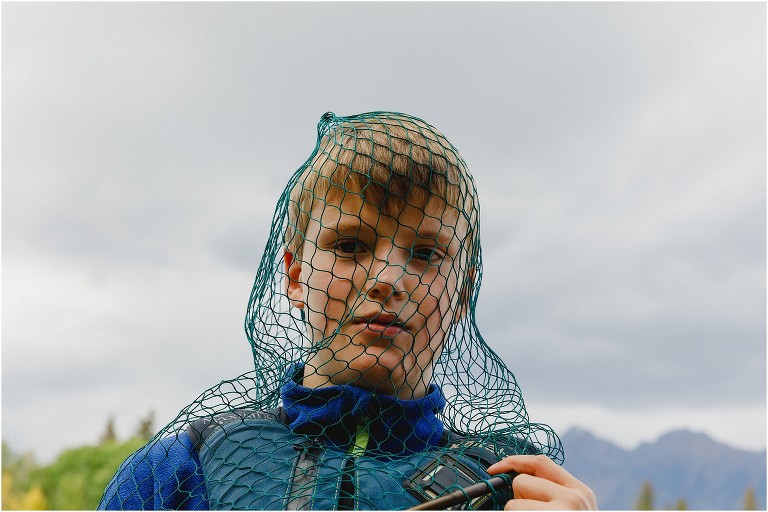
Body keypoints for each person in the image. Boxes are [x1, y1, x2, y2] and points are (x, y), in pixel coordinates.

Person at [99, 111, 597, 510]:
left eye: (425, 254)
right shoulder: (190, 465)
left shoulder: (509, 490)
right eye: (351, 245)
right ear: (294, 276)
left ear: (463, 291)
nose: (387, 279)